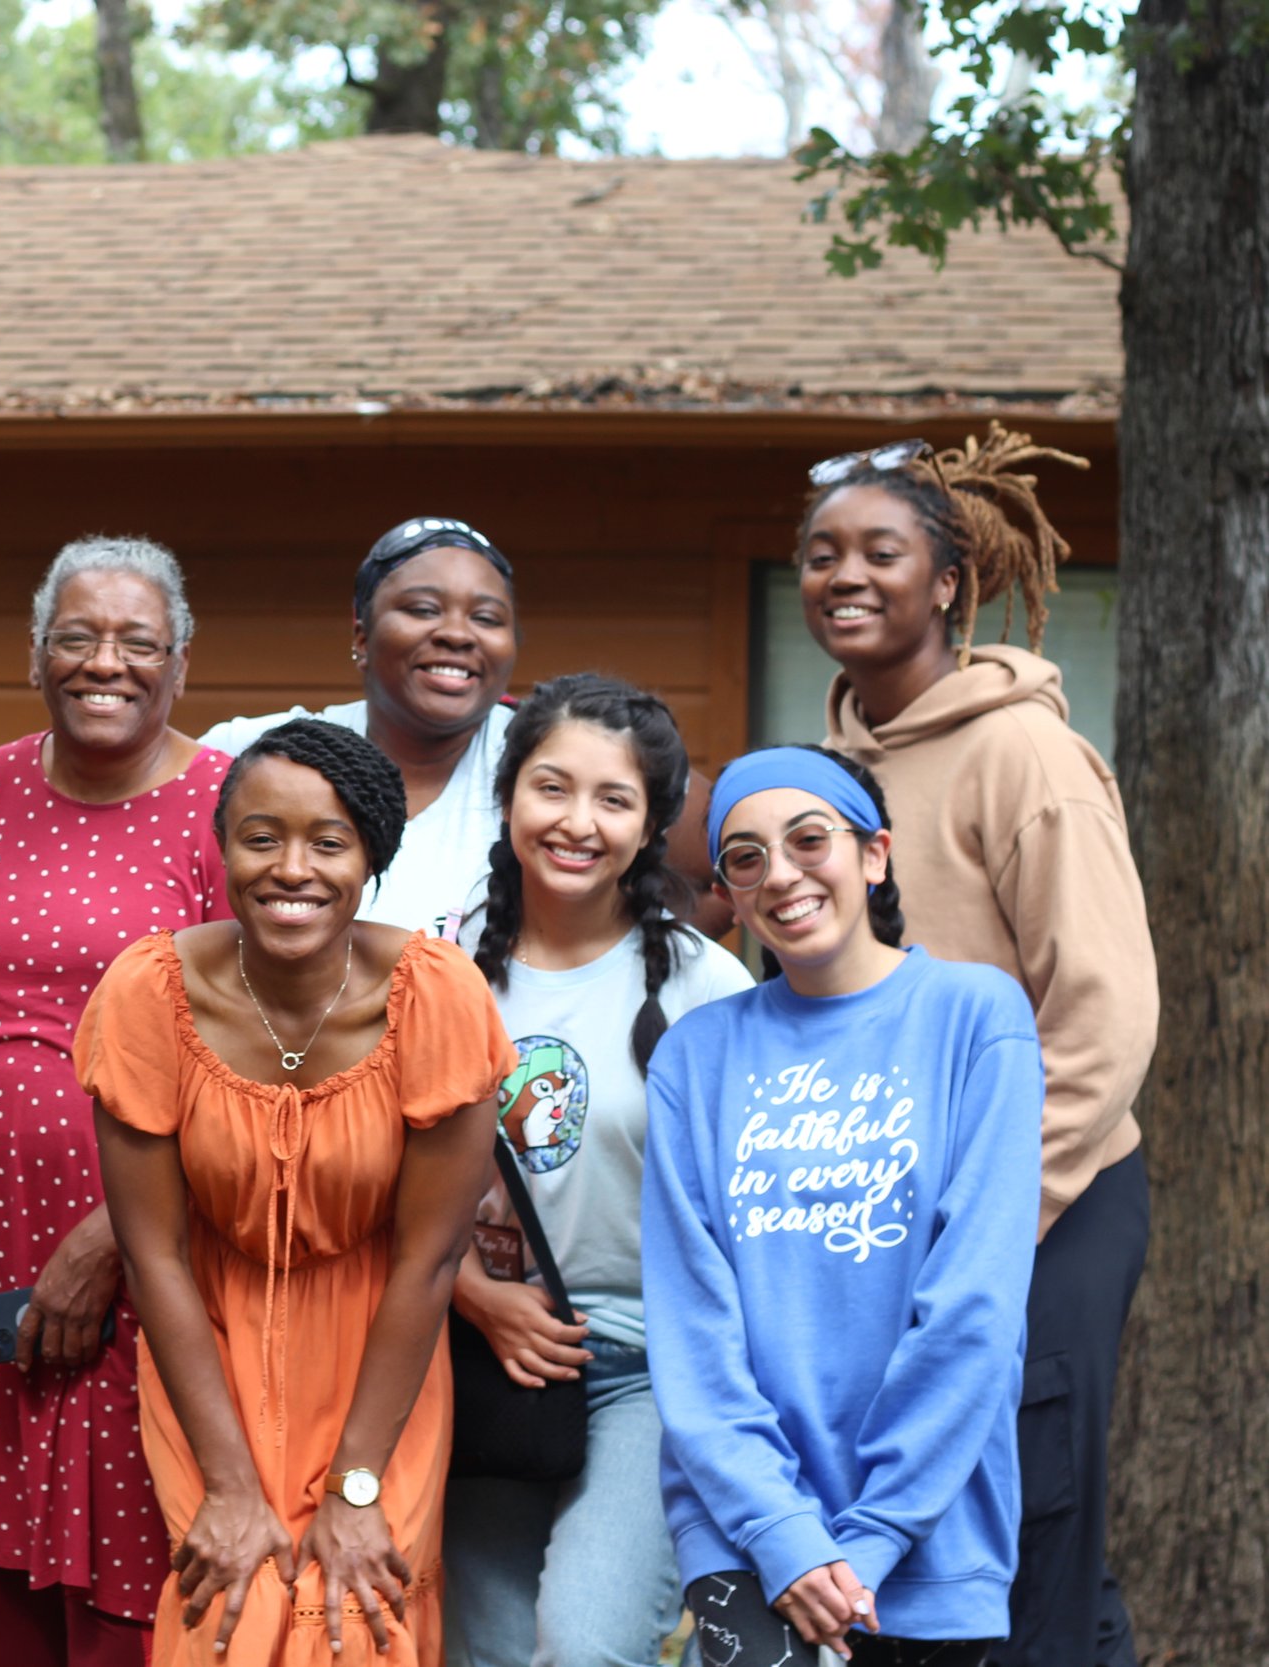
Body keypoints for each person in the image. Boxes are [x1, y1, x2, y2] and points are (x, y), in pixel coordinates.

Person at [798, 427, 1156, 1667]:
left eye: (878, 551)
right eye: (819, 554)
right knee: (919, 1551)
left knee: (1031, 1536)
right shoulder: (830, 770)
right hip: (882, 1223)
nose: (843, 574)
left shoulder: (1023, 755)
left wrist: (983, 1223)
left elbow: (1104, 1019)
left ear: (946, 581)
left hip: (1042, 1207)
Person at [84, 718, 518, 1667]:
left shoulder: (435, 996)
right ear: (224, 844)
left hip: (380, 1350)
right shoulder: (148, 992)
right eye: (261, 836)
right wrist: (230, 1484)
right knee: (230, 1620)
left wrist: (356, 1484)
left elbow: (431, 1255)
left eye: (329, 841)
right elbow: (152, 1252)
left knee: (359, 1617)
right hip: (211, 1347)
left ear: (371, 856)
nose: (292, 868)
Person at [0, 536, 234, 1667]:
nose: (107, 661)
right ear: (36, 654)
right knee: (1, 1578)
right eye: (79, 635)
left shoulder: (225, 808)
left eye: (139, 640)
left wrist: (116, 1237)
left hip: (150, 1249)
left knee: (132, 1581)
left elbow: (265, 1054)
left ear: (179, 666)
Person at [642, 746, 1042, 1666]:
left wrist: (869, 1537)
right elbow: (693, 1326)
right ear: (730, 896)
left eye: (809, 839)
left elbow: (974, 1306)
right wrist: (783, 1532)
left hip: (929, 1530)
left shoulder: (976, 1017)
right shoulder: (695, 1057)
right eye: (745, 858)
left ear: (874, 854)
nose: (780, 873)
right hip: (744, 1528)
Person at [439, 674, 753, 1667]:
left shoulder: (707, 986)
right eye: (551, 787)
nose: (577, 822)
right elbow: (368, 1185)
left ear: (652, 823)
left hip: (647, 1369)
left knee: (583, 1645)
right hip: (477, 1366)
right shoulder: (435, 966)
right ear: (506, 794)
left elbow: (744, 1225)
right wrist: (477, 1296)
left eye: (613, 799)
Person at [198, 519, 520, 931]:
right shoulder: (253, 752)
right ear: (362, 637)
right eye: (423, 609)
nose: (457, 634)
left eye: (487, 618)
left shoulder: (547, 771)